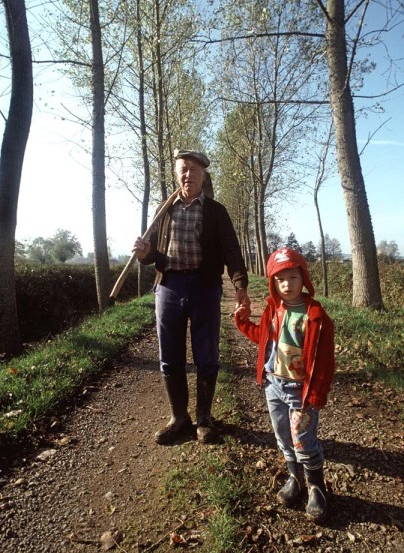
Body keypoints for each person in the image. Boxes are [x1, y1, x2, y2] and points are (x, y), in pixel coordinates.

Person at [133, 148, 251, 445]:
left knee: (206, 355)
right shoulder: (165, 209)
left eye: (194, 170)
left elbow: (232, 251)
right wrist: (146, 255)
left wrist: (241, 286)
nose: (188, 175)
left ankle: (203, 418)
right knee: (169, 356)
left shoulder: (216, 211)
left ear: (203, 176)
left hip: (205, 286)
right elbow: (155, 255)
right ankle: (179, 418)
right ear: (177, 174)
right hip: (169, 286)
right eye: (183, 169)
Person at [234, 247, 335, 523]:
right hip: (274, 386)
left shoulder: (316, 316)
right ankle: (295, 478)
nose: (286, 285)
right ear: (272, 283)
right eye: (279, 280)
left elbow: (325, 360)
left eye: (292, 277)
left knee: (303, 440)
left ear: (303, 278)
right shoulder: (273, 310)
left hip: (300, 393)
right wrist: (242, 321)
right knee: (282, 435)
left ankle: (316, 486)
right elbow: (263, 339)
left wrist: (317, 393)